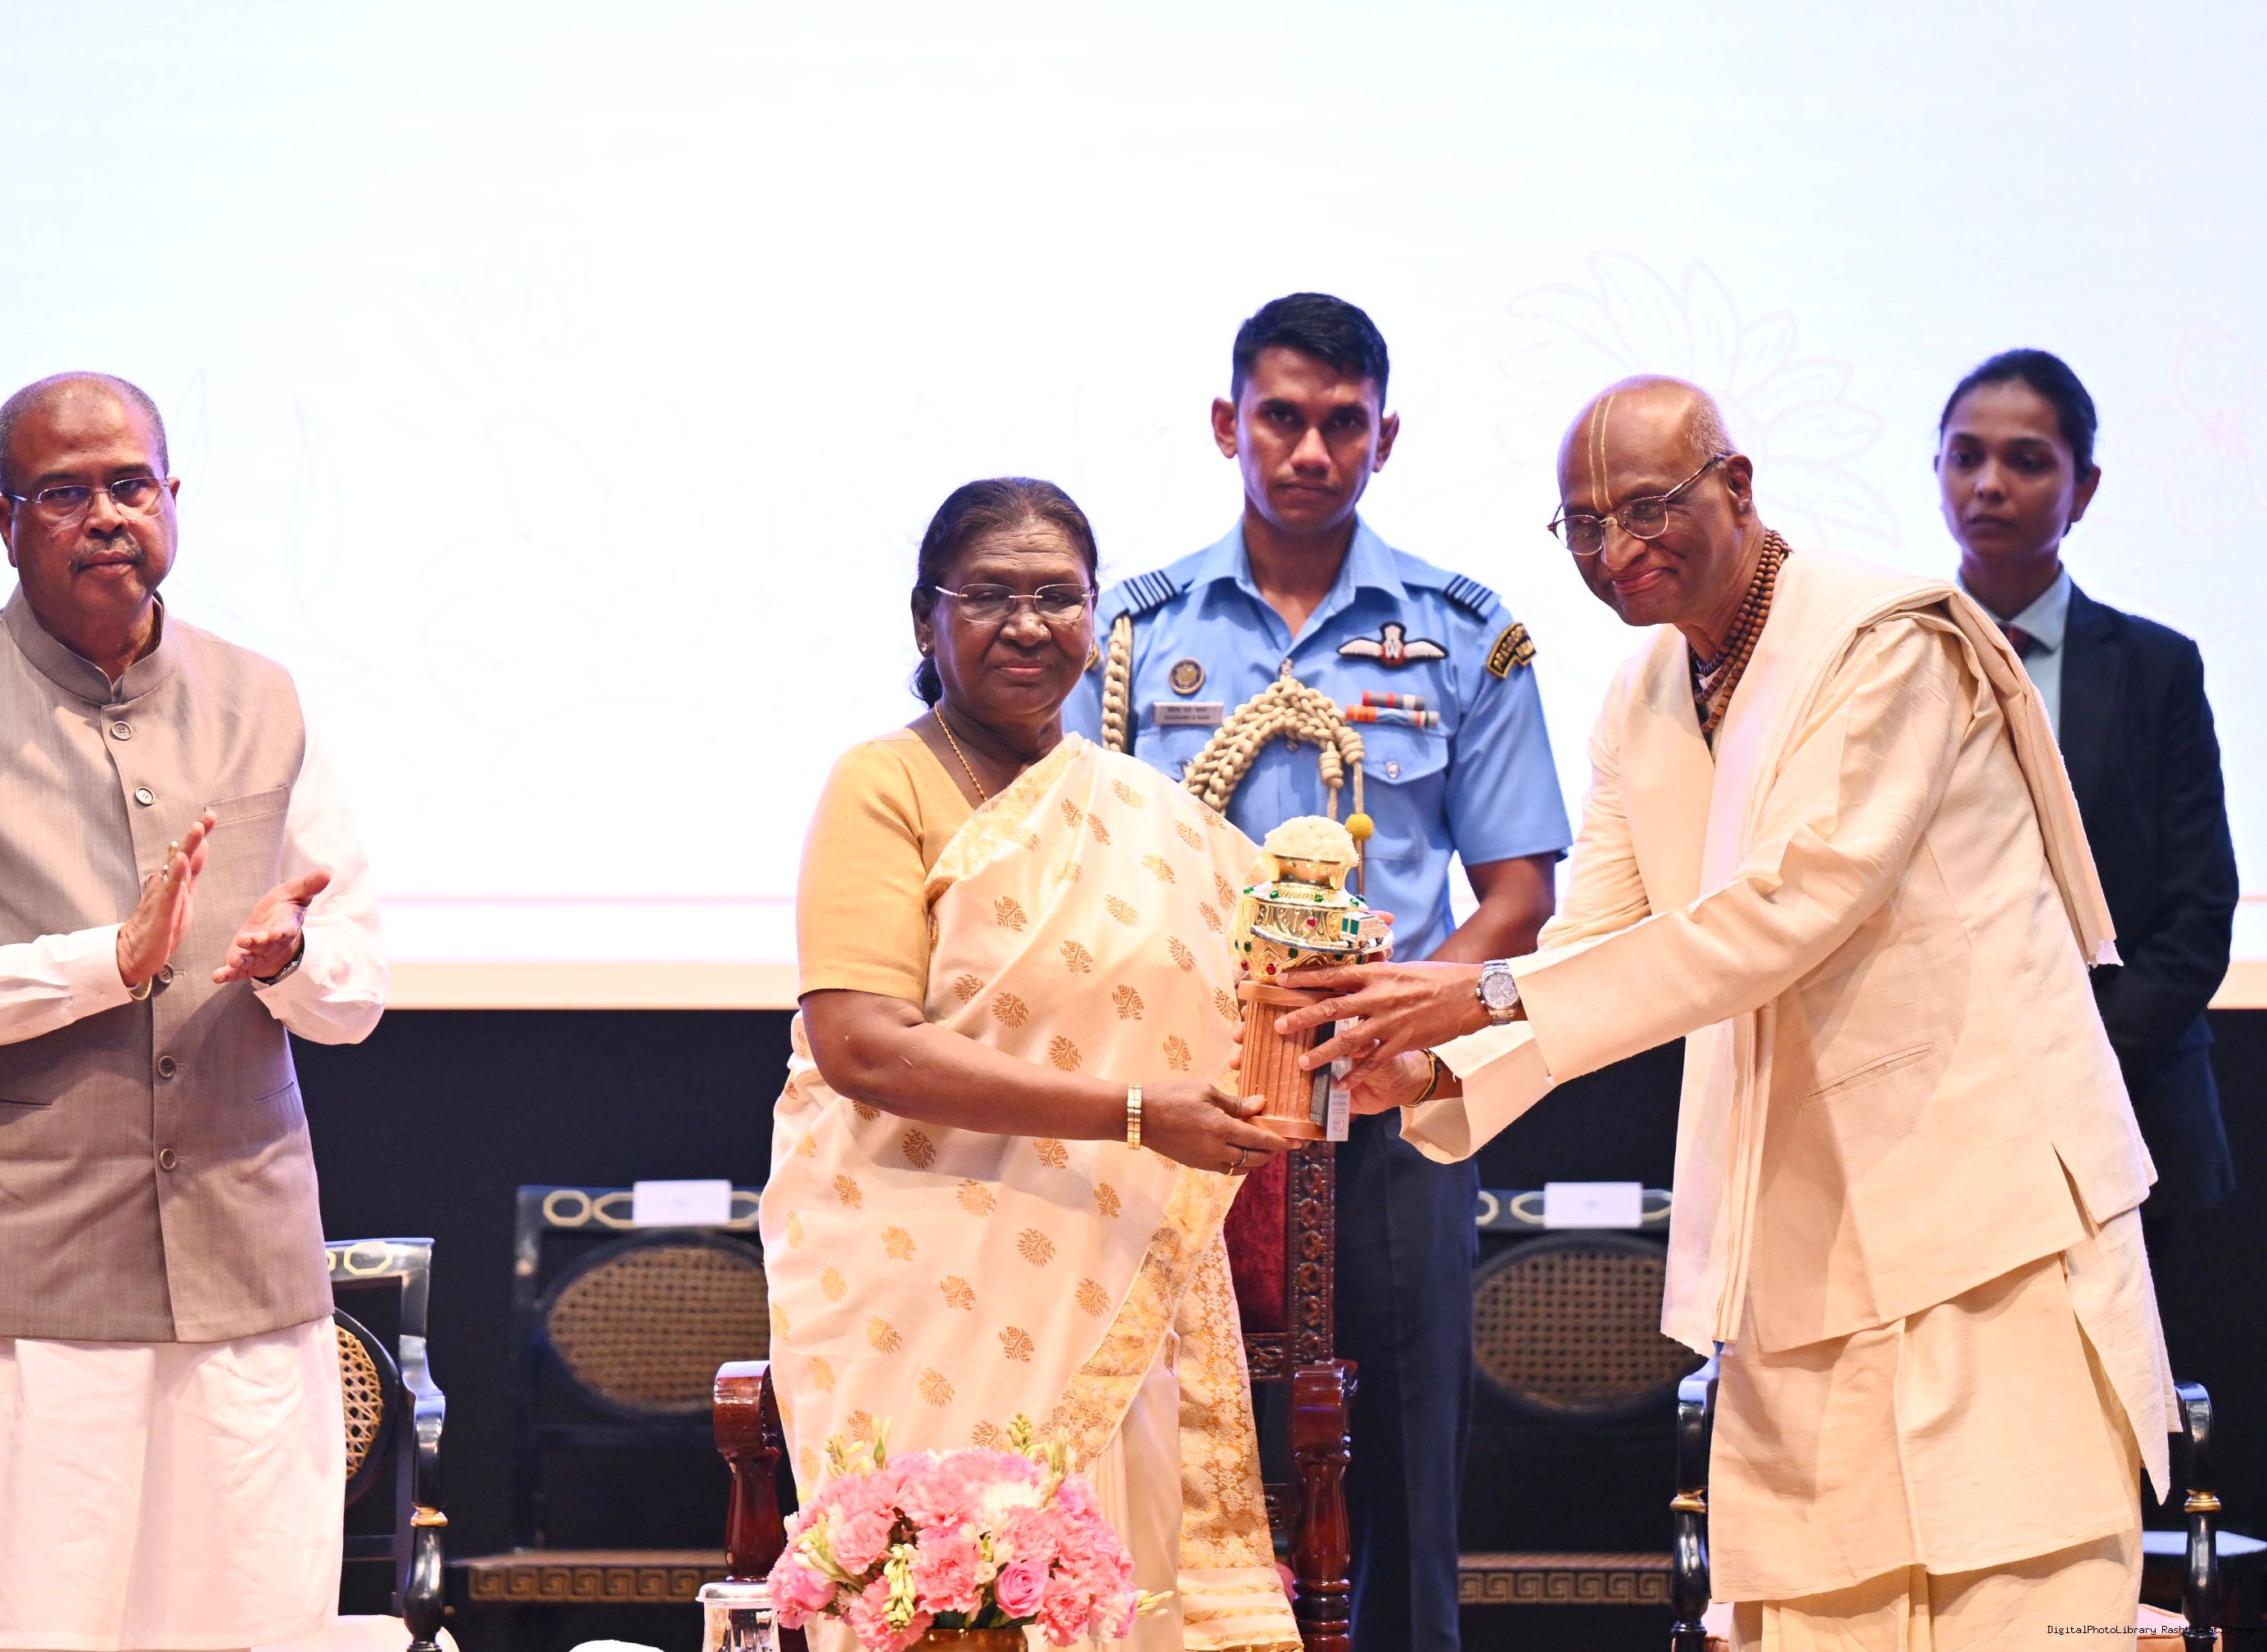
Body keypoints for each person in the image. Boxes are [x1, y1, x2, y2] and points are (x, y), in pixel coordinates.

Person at [1280, 377, 2175, 1647]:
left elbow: (1789, 908)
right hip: (1802, 1231)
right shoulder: (1643, 690)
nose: (1615, 549)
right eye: (1582, 523)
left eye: (1648, 506)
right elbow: (1596, 941)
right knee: (1808, 1613)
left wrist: (1471, 989)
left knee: (2012, 1591)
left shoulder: (1886, 643)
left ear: (1737, 488)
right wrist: (1429, 1072)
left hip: (1988, 1215)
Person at [0, 372, 386, 1652]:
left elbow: (354, 991)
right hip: (20, 1300)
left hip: (242, 1281)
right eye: (63, 492)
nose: (106, 515)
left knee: (254, 1627)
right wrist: (105, 962)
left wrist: (292, 958)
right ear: (4, 521)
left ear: (173, 497)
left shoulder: (268, 699)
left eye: (130, 483)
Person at [1064, 293, 1569, 1652]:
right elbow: (1070, 855)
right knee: (1164, 1440)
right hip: (1182, 1108)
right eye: (1279, 417)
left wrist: (1397, 1017)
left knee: (1399, 1457)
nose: (1307, 450)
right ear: (1225, 424)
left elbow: (1519, 894)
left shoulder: (1462, 633)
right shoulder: (1128, 633)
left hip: (1388, 1102)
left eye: (1342, 424)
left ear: (1382, 438)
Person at [764, 477, 1302, 1652]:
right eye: (989, 596)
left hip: (1102, 1251)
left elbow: (1278, 972)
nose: (1027, 624)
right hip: (908, 1265)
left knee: (1101, 1590)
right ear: (925, 619)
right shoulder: (882, 783)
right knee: (936, 1592)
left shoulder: (1147, 817)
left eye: (1058, 596)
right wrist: (1132, 1110)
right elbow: (860, 1043)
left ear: (1097, 618)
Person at [1936, 348, 2238, 1253]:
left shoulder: (2156, 667)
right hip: (1938, 1115)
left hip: (2130, 1106)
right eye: (1965, 456)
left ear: (2083, 488)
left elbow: (2196, 917)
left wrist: (2066, 1062)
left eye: (2026, 460)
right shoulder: (1886, 659)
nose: (1988, 484)